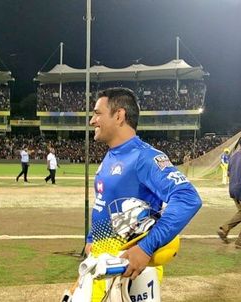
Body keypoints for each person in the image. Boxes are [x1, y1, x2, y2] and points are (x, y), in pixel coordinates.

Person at [84, 87, 202, 300]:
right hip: (101, 261)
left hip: (129, 267)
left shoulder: (145, 157)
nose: (92, 121)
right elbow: (103, 200)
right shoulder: (111, 156)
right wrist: (93, 238)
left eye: (98, 113)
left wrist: (146, 248)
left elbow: (187, 198)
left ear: (119, 115)